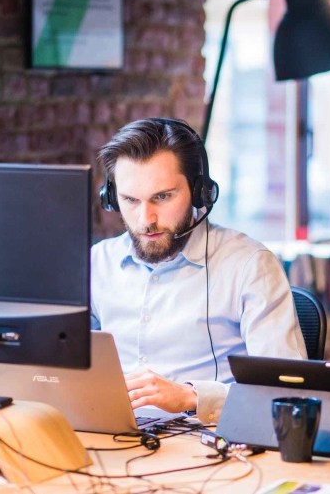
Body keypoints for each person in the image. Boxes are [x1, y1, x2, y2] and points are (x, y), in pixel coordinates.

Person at [92, 117, 307, 422]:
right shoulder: (98, 264)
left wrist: (191, 396)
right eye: (130, 200)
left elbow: (287, 391)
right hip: (110, 442)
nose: (146, 219)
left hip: (207, 448)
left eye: (162, 197)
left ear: (199, 191)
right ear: (111, 197)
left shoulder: (250, 265)